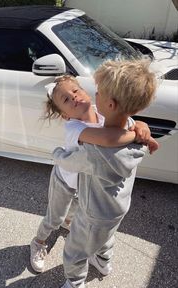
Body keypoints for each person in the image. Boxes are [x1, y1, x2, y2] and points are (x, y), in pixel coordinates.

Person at [30, 74, 157, 273]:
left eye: (75, 91)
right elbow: (107, 138)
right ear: (65, 115)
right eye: (66, 100)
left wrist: (141, 125)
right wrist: (135, 134)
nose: (74, 97)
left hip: (87, 185)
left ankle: (73, 229)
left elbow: (127, 120)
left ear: (86, 92)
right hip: (65, 181)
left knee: (76, 216)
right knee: (55, 217)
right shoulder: (74, 128)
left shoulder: (104, 112)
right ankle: (38, 242)